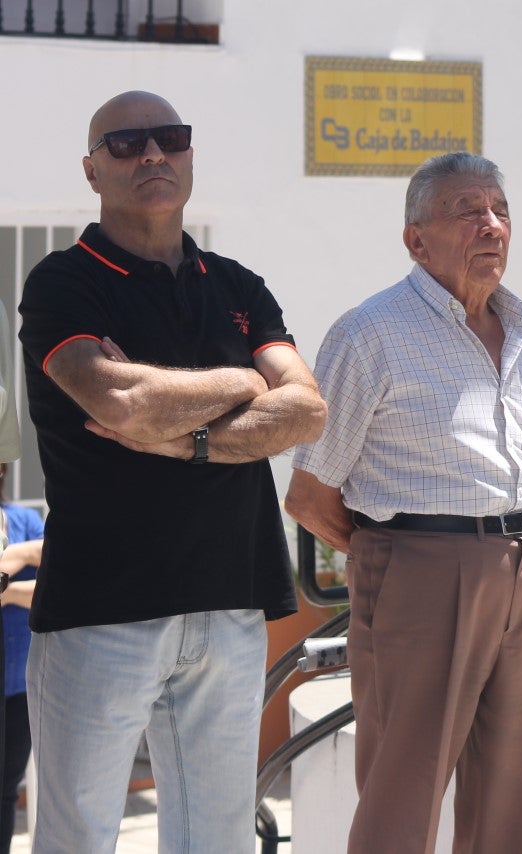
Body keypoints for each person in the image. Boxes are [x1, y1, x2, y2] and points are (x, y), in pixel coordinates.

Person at [17, 90, 326, 853]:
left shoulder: (238, 286)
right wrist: (241, 382)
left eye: (170, 138)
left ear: (188, 154)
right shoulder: (63, 282)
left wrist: (186, 435)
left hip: (229, 600)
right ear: (92, 171)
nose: (153, 154)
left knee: (213, 842)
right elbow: (119, 403)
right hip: (102, 610)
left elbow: (309, 410)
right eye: (126, 144)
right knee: (80, 840)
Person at [285, 151, 522, 854]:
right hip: (421, 569)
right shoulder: (371, 332)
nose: (491, 224)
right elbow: (311, 495)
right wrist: (405, 558)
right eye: (469, 210)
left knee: (518, 803)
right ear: (417, 239)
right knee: (401, 801)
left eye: (500, 210)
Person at [0, 464, 42, 854]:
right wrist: (24, 557)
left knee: (6, 788)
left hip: (18, 683)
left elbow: (58, 584)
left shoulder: (24, 519)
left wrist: (8, 589)